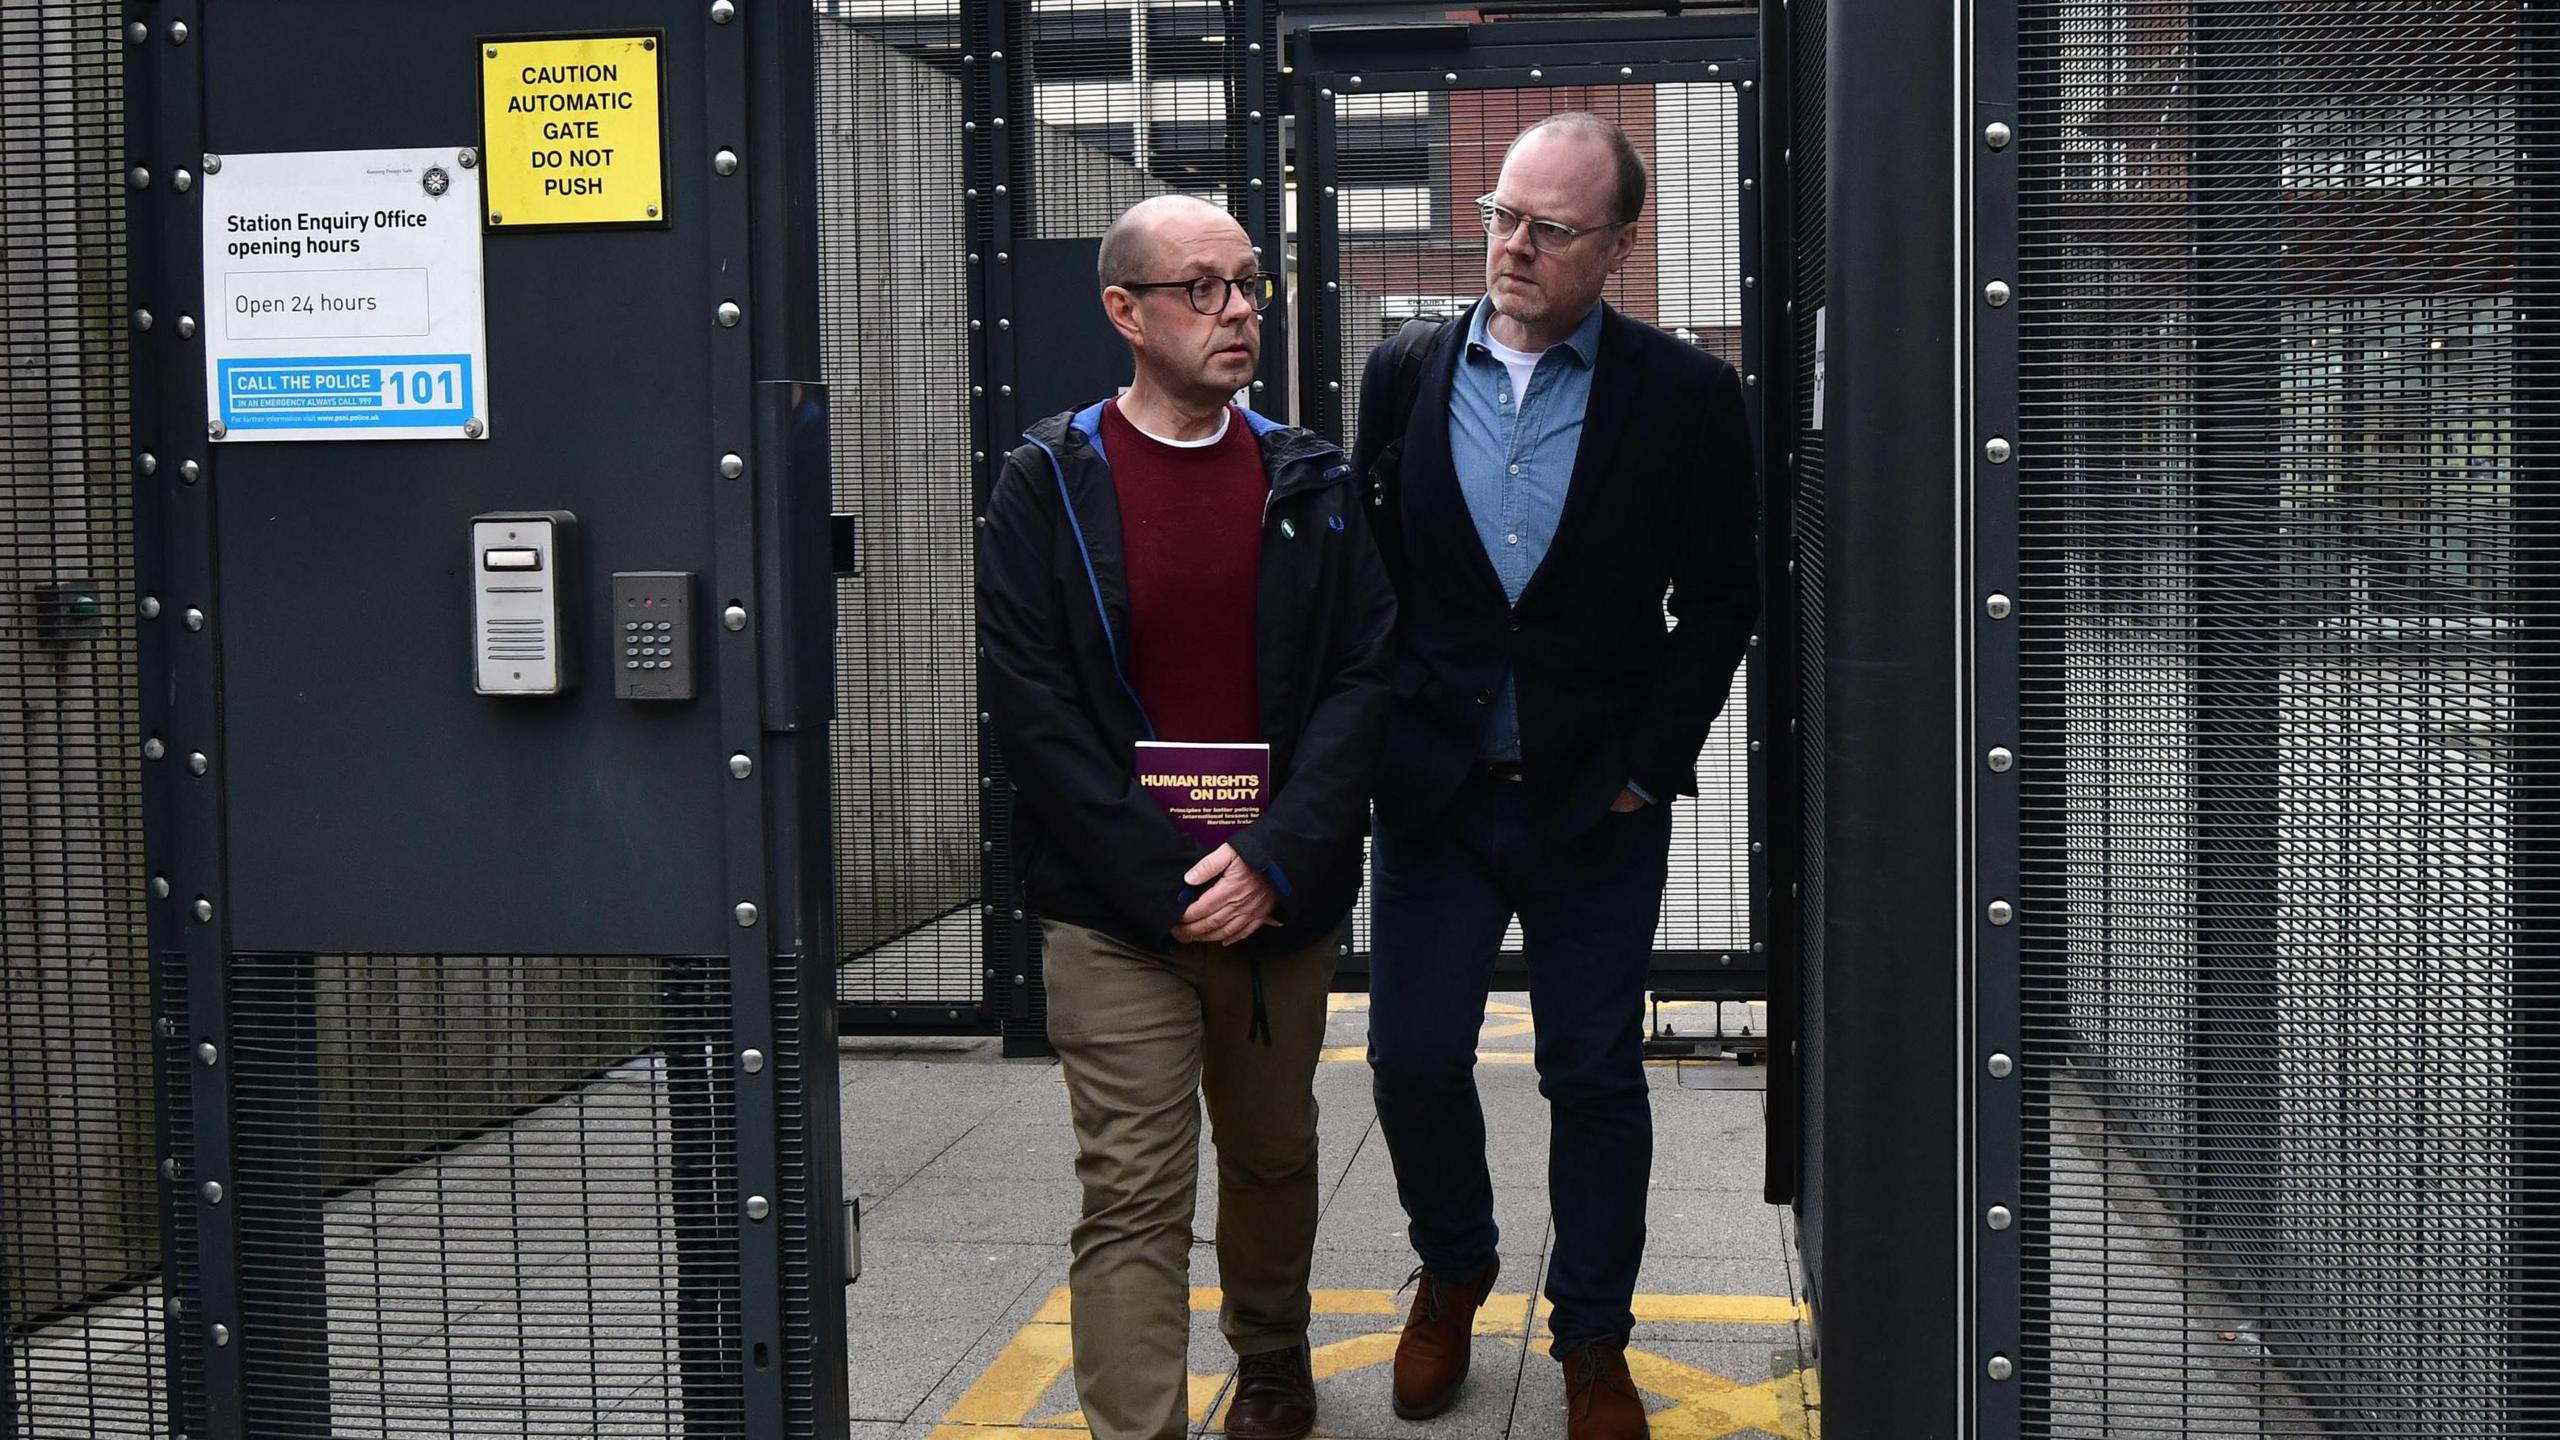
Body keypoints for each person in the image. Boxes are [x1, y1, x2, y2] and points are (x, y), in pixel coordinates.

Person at [1352, 114, 1760, 1440]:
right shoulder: (1406, 370)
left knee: (1591, 1073)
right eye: (1503, 216)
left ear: (1619, 248)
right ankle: (1455, 1264)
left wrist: (1652, 766)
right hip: (1438, 793)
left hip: (1595, 801)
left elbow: (1721, 600)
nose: (1515, 247)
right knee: (1411, 1058)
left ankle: (1592, 1339)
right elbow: (1375, 576)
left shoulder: (1688, 396)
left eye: (1553, 229)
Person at [977, 193, 1397, 1440]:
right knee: (1134, 1193)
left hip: (1276, 896)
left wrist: (1269, 859)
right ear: (1125, 312)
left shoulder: (1307, 477)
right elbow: (1032, 706)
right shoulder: (1048, 482)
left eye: (1249, 285)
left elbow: (1364, 674)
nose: (1237, 313)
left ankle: (1269, 1351)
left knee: (1270, 1151)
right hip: (1114, 910)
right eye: (1201, 289)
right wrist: (1171, 876)